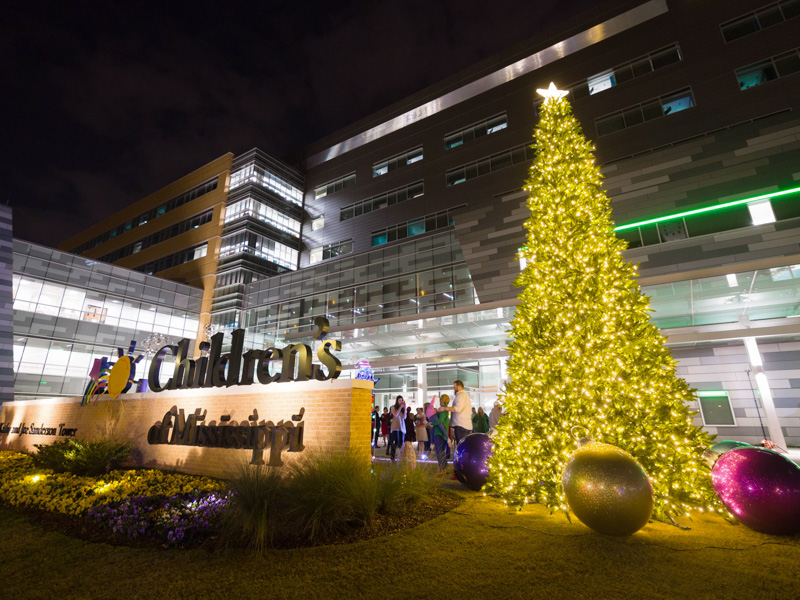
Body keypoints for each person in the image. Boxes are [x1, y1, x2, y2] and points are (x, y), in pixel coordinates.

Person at [443, 379, 472, 447]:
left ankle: (462, 458)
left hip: (461, 425)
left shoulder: (460, 396)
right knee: (464, 445)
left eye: (454, 386)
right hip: (465, 424)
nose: (454, 388)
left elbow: (457, 409)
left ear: (459, 386)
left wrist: (444, 408)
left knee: (461, 446)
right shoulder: (465, 396)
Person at [428, 394, 451, 473]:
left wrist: (432, 424)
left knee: (438, 451)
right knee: (441, 451)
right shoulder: (446, 410)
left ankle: (441, 469)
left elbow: (440, 421)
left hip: (438, 432)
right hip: (443, 432)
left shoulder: (442, 410)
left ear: (441, 400)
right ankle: (446, 467)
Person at [389, 395, 406, 462]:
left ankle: (401, 457)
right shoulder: (393, 407)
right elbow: (395, 414)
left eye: (401, 400)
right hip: (395, 426)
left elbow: (404, 417)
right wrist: (400, 407)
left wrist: (404, 408)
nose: (400, 401)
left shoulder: (402, 408)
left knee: (401, 442)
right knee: (396, 441)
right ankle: (392, 456)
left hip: (401, 426)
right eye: (399, 400)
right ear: (397, 400)